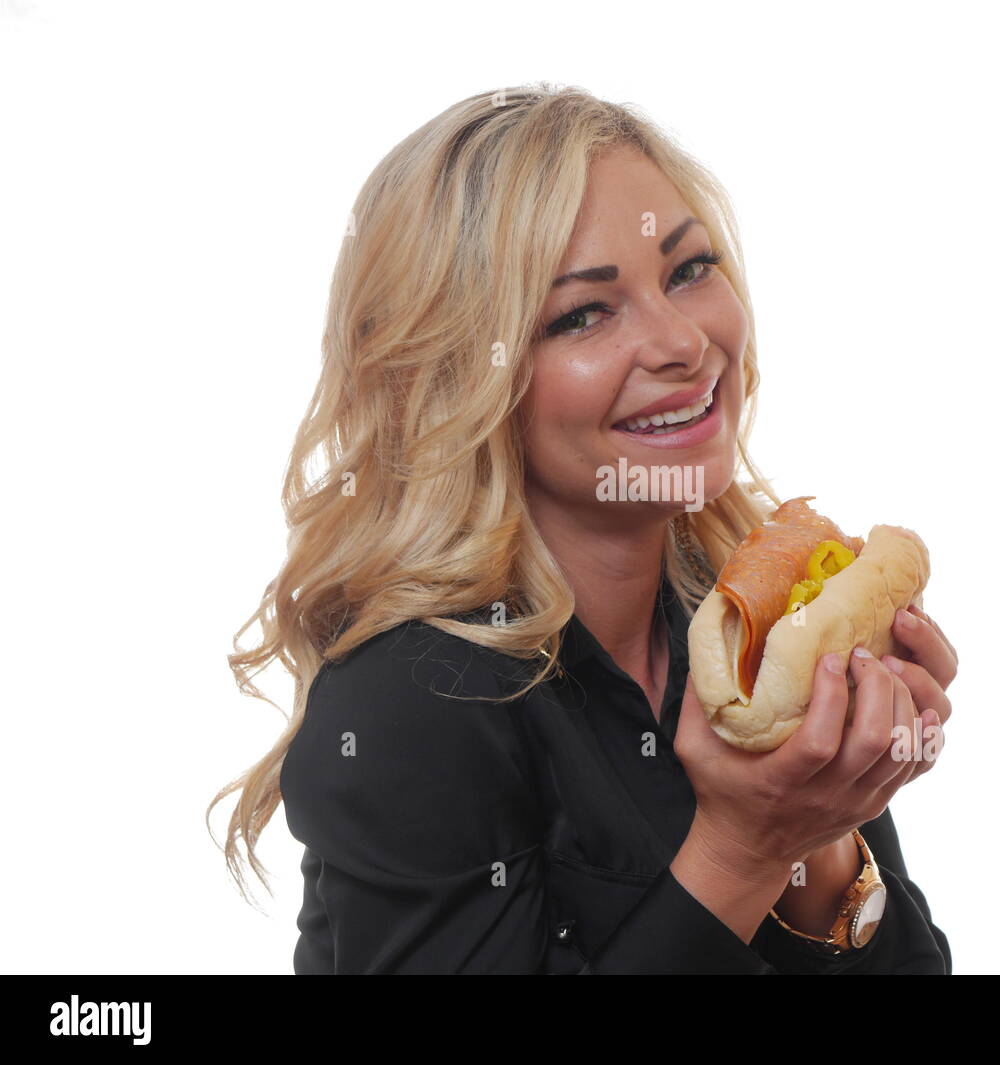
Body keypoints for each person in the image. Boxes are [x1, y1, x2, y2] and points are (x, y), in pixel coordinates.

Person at [208, 83, 959, 974]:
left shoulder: (740, 624)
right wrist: (743, 848)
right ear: (461, 383)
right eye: (582, 314)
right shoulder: (411, 701)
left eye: (688, 270)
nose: (683, 341)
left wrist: (823, 828)